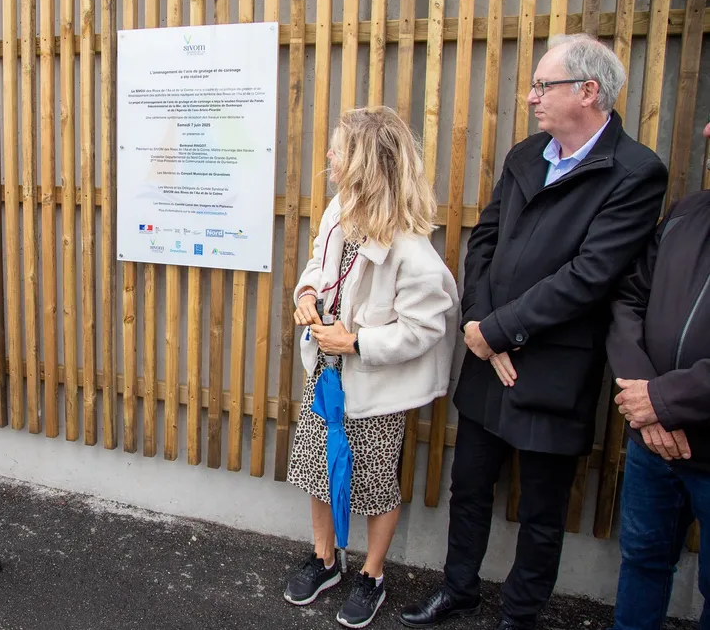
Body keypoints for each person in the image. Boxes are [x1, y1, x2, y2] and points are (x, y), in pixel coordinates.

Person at [400, 34, 669, 630]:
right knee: (468, 485)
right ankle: (458, 589)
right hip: (487, 351)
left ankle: (521, 615)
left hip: (553, 366)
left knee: (543, 507)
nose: (531, 97)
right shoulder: (528, 154)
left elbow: (590, 276)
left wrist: (499, 331)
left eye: (544, 85)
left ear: (588, 91)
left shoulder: (634, 172)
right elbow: (486, 242)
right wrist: (476, 323)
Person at [285, 107, 460, 628]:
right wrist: (308, 291)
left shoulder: (412, 248)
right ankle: (324, 560)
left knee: (374, 482)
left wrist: (358, 342)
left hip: (376, 385)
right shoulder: (340, 209)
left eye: (338, 148)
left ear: (364, 161)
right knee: (320, 467)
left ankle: (373, 575)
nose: (330, 157)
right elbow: (319, 258)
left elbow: (425, 328)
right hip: (326, 371)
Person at [604, 116, 710, 630]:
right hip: (653, 442)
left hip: (699, 438)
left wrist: (663, 401)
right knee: (643, 561)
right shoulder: (689, 213)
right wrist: (644, 402)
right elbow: (629, 300)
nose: (706, 130)